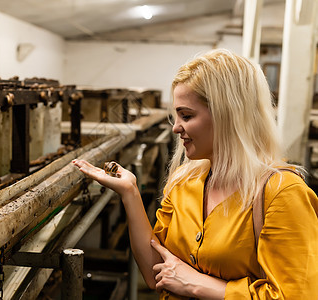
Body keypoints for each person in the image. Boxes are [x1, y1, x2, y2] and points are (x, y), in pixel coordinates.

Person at [72, 48, 318, 299]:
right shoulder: (184, 182)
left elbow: (296, 294)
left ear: (228, 115)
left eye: (186, 115)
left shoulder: (283, 194)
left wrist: (197, 284)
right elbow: (156, 273)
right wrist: (130, 193)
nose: (176, 127)